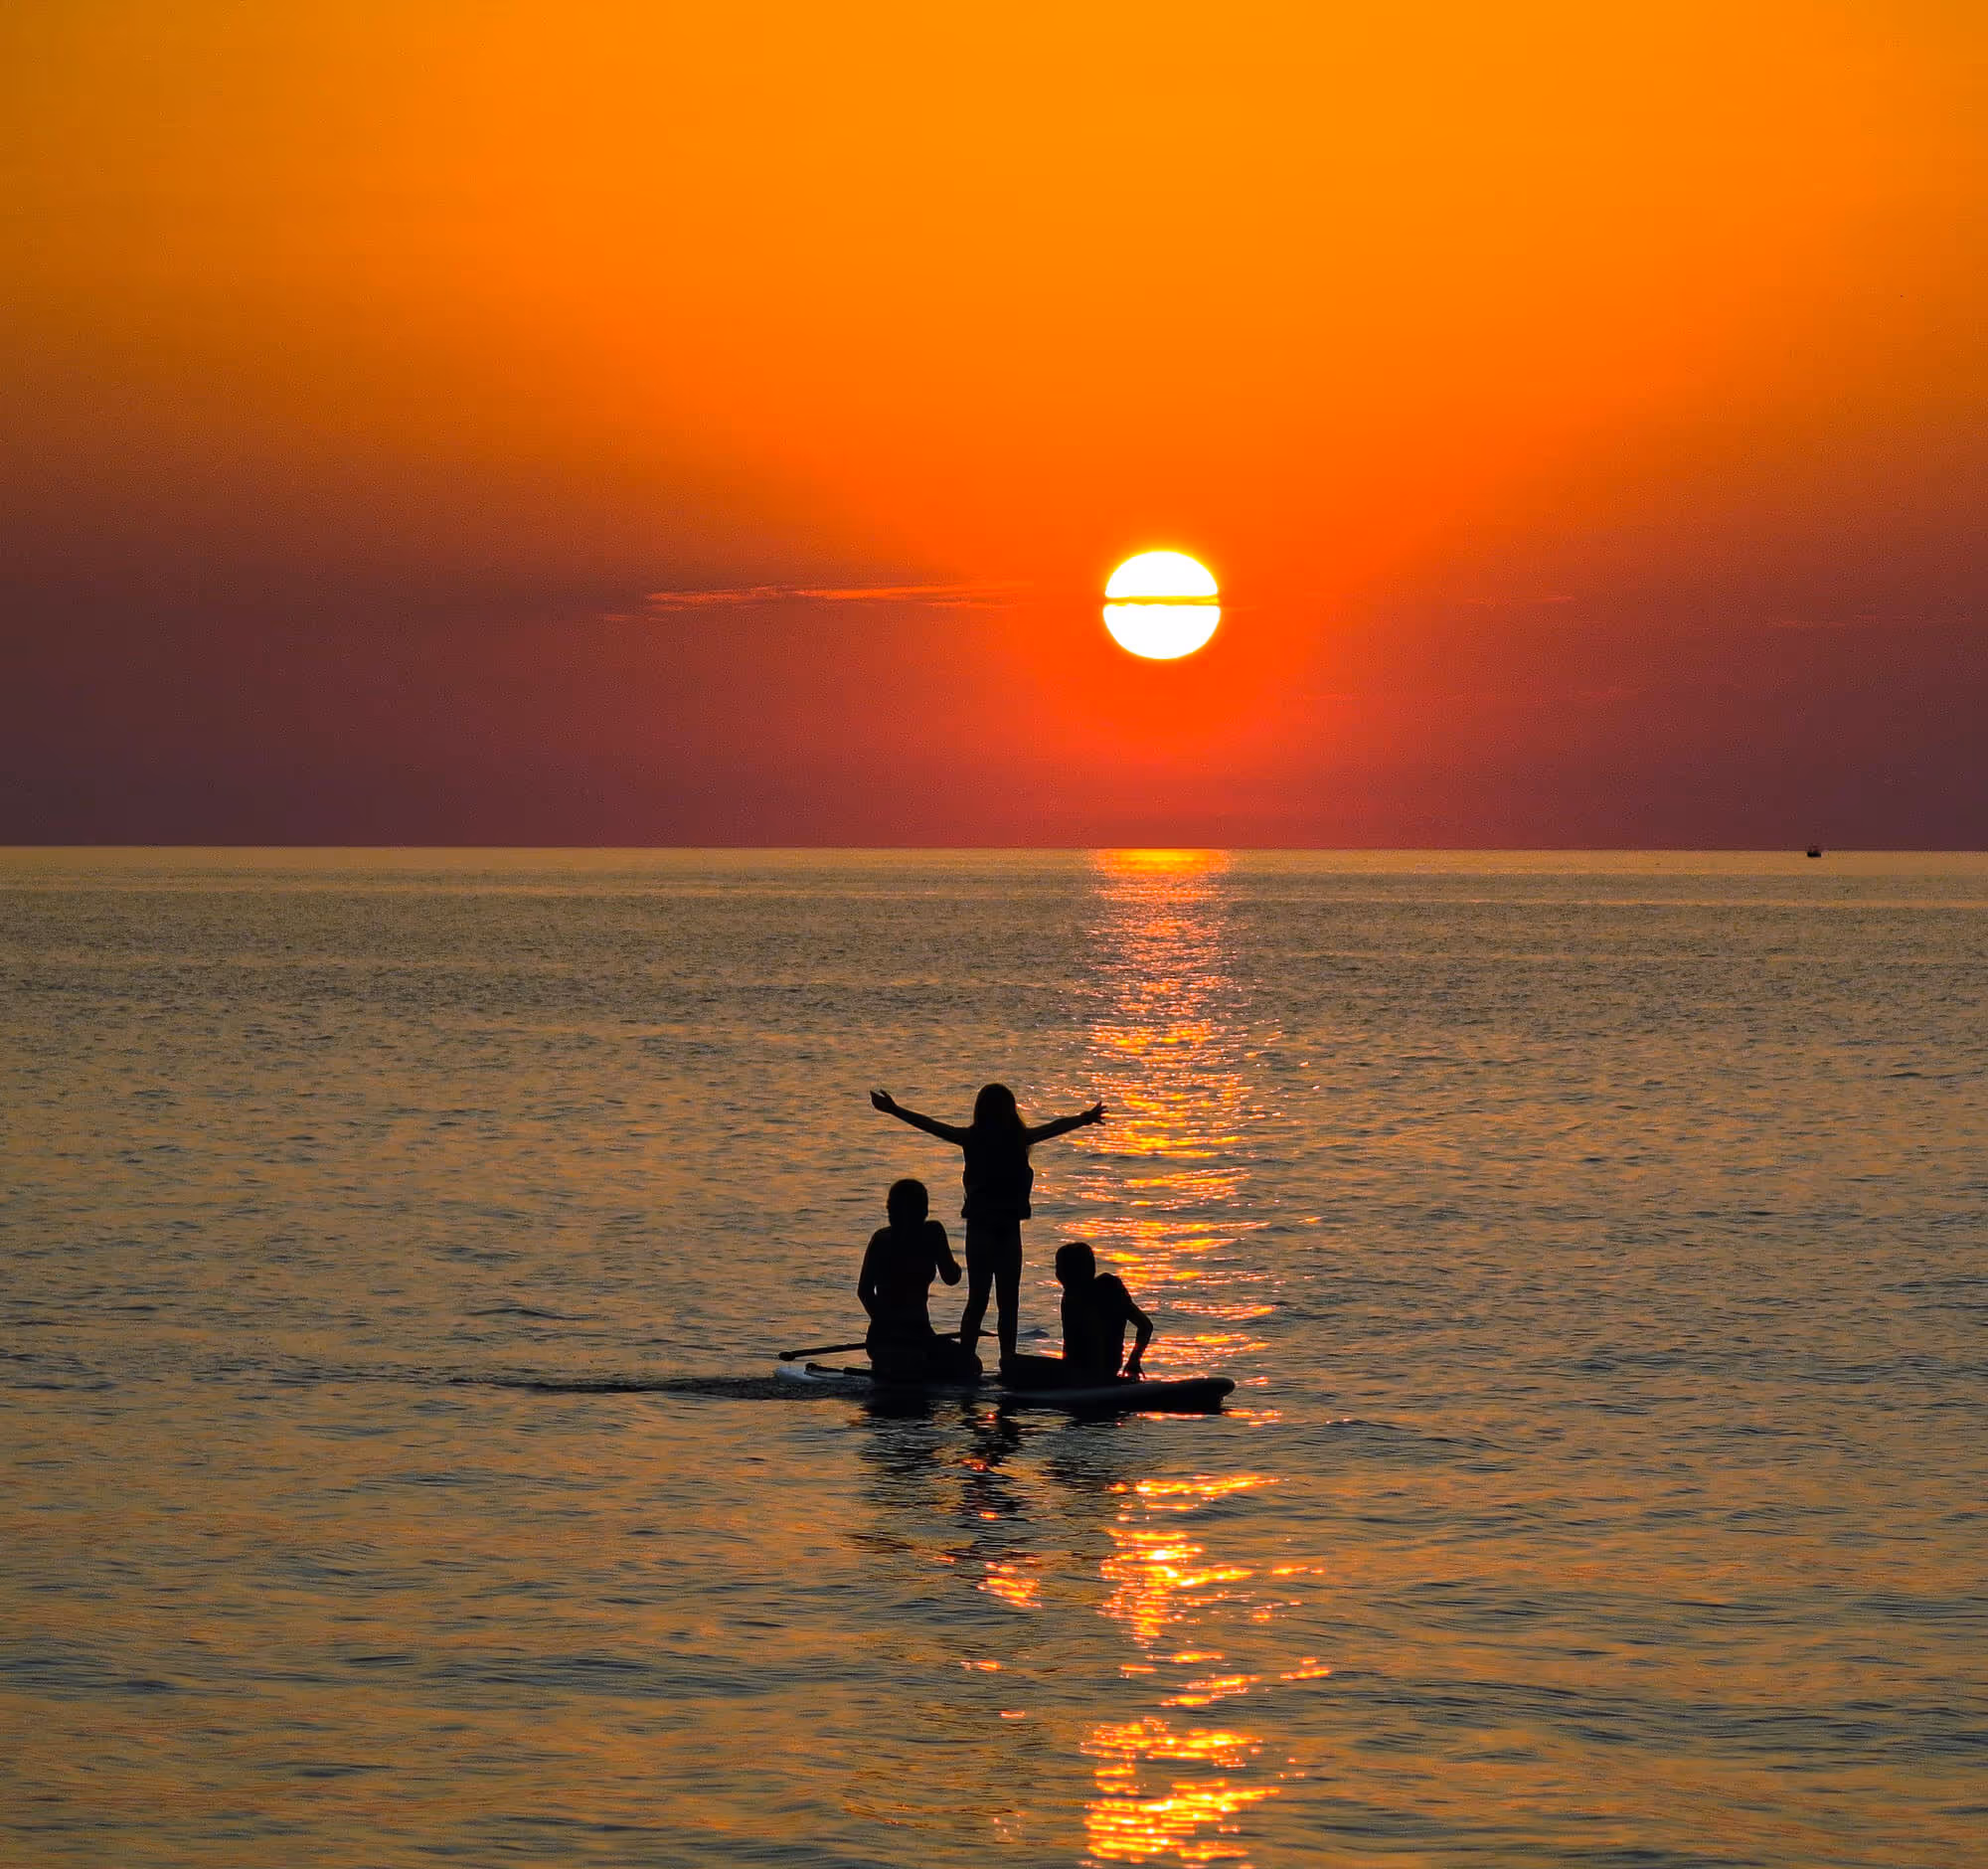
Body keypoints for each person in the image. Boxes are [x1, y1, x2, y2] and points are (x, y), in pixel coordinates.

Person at [870, 1083, 1105, 1366]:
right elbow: (1054, 1128)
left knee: (981, 1300)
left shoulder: (979, 1138)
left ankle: (972, 1359)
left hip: (986, 1231)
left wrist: (895, 1110)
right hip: (1002, 1231)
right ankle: (1003, 1359)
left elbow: (932, 1126)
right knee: (1005, 1301)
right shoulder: (1012, 1139)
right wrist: (1084, 1119)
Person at [857, 1178, 979, 1383]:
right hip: (888, 1338)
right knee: (943, 1365)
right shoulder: (890, 1238)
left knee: (971, 1364)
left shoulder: (926, 1234)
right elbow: (864, 1292)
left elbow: (865, 1292)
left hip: (919, 1333)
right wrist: (891, 1328)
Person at [1004, 1241, 1154, 1388]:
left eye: (1060, 1268)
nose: (1057, 1274)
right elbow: (1146, 1326)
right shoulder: (1110, 1288)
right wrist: (1134, 1361)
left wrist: (1101, 1380)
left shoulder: (1078, 1297)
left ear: (1073, 1272)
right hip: (1100, 1372)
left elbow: (1095, 1337)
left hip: (1083, 1376)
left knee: (1009, 1363)